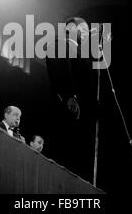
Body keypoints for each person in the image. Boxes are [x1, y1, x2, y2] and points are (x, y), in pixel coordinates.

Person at [45, 17, 99, 182]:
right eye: (82, 29)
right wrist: (68, 96)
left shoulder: (85, 56)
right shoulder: (59, 44)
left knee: (78, 160)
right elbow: (58, 68)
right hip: (67, 107)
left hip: (85, 115)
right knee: (64, 154)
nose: (86, 33)